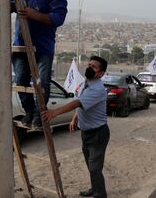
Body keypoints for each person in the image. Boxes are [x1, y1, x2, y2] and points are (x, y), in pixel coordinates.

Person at [12, 0, 68, 129]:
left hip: (42, 50)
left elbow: (56, 19)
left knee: (41, 84)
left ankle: (39, 116)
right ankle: (29, 111)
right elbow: (5, 2)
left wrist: (31, 13)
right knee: (20, 80)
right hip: (20, 47)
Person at [42, 56, 110, 198]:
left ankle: (100, 194)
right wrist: (75, 118)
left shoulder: (97, 89)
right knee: (91, 166)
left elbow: (77, 103)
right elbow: (83, 105)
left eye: (94, 67)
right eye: (89, 64)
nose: (89, 68)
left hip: (98, 133)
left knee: (95, 167)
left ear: (101, 73)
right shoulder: (86, 83)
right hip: (86, 132)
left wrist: (55, 112)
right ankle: (94, 187)